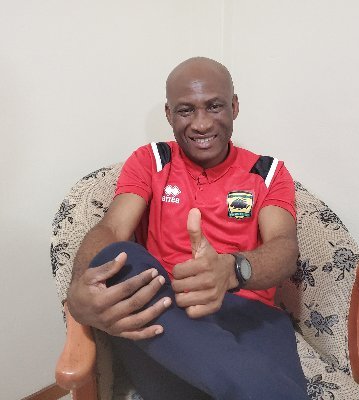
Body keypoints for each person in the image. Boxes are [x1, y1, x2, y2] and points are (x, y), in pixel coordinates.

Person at [67, 57, 308, 399]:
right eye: (185, 110)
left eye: (214, 106)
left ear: (234, 106)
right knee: (119, 257)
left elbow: (284, 247)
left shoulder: (268, 172)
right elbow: (112, 228)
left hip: (249, 315)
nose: (201, 124)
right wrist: (79, 291)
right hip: (170, 315)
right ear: (169, 114)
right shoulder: (151, 160)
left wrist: (232, 270)